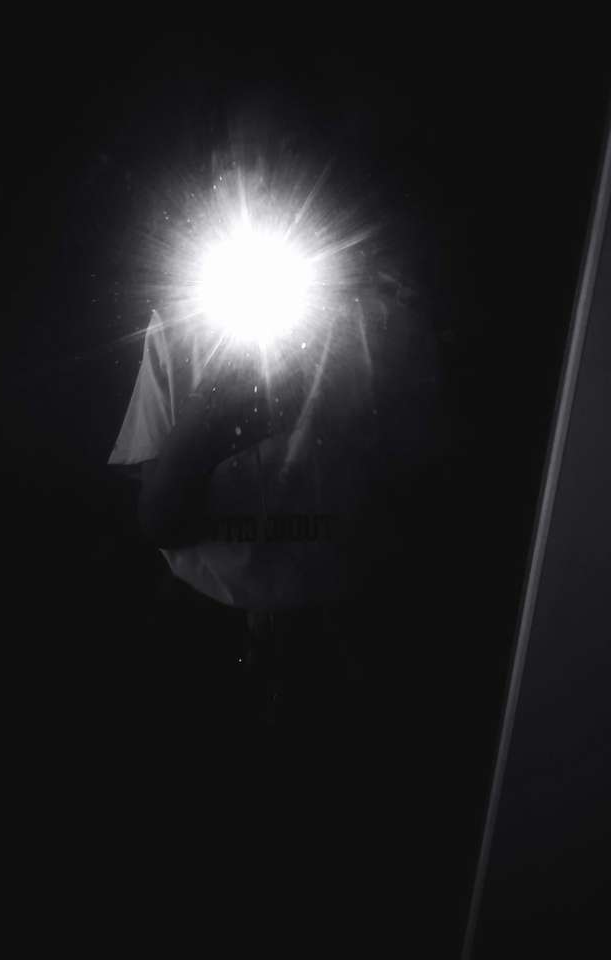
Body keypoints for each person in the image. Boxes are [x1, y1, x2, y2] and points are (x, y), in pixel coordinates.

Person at [108, 131, 441, 734]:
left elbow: (423, 504)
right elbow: (155, 523)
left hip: (347, 615)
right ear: (218, 182)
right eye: (244, 163)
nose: (263, 186)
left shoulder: (378, 324)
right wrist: (207, 425)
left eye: (288, 156)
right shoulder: (183, 324)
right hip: (201, 612)